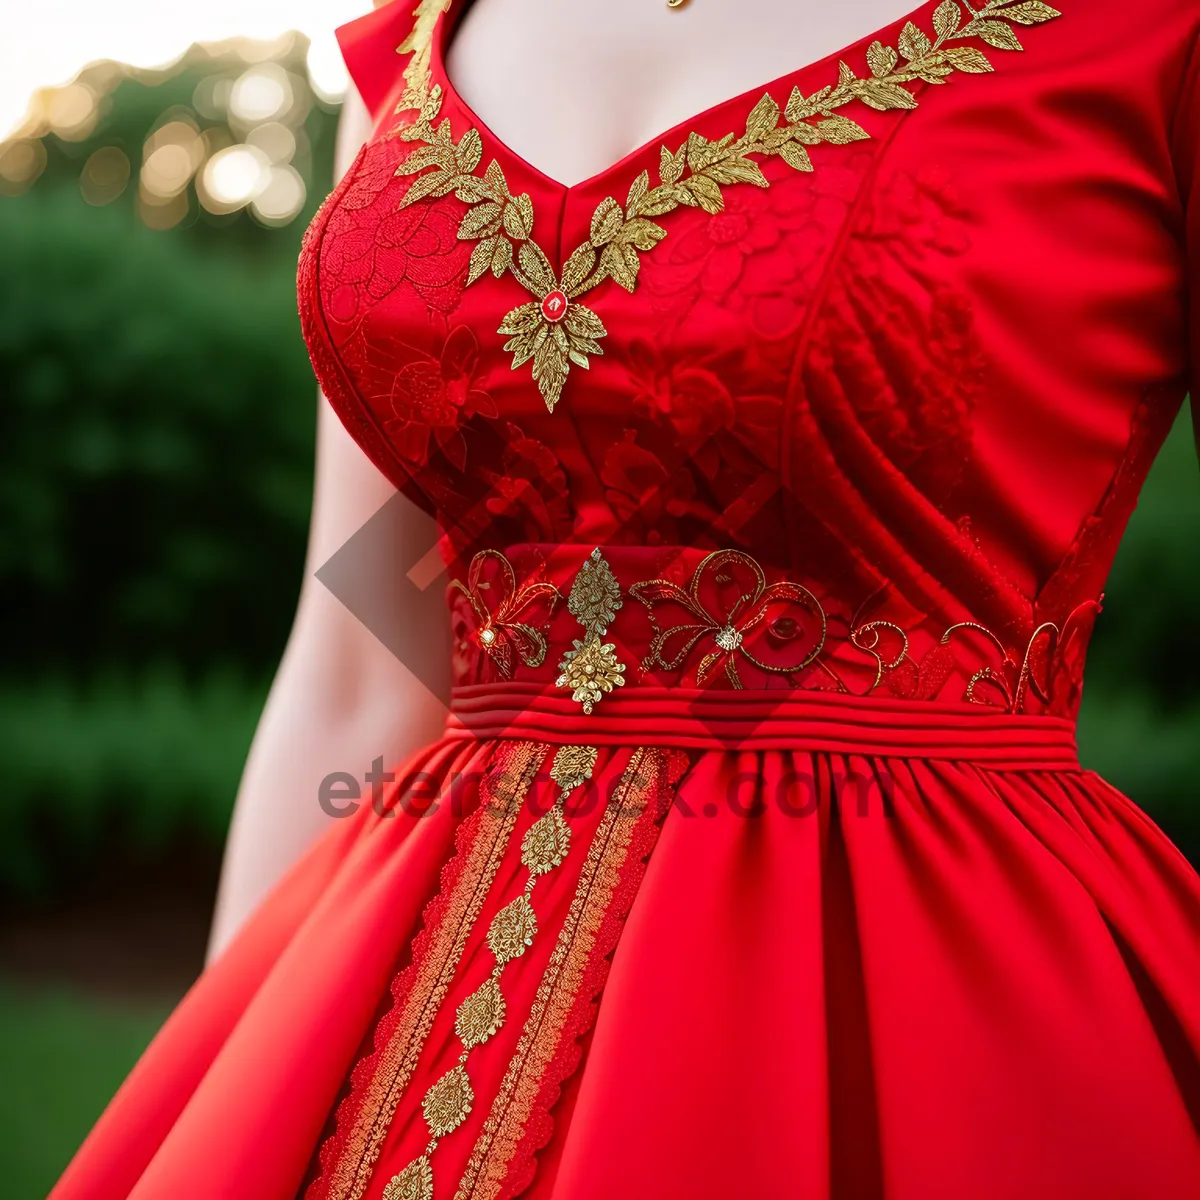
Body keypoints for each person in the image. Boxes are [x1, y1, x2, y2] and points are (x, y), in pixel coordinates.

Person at [53, 0, 1200, 1196]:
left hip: (933, 991)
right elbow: (357, 669)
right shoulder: (410, 54)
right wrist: (234, 1082)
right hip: (402, 957)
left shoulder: (1144, 35)